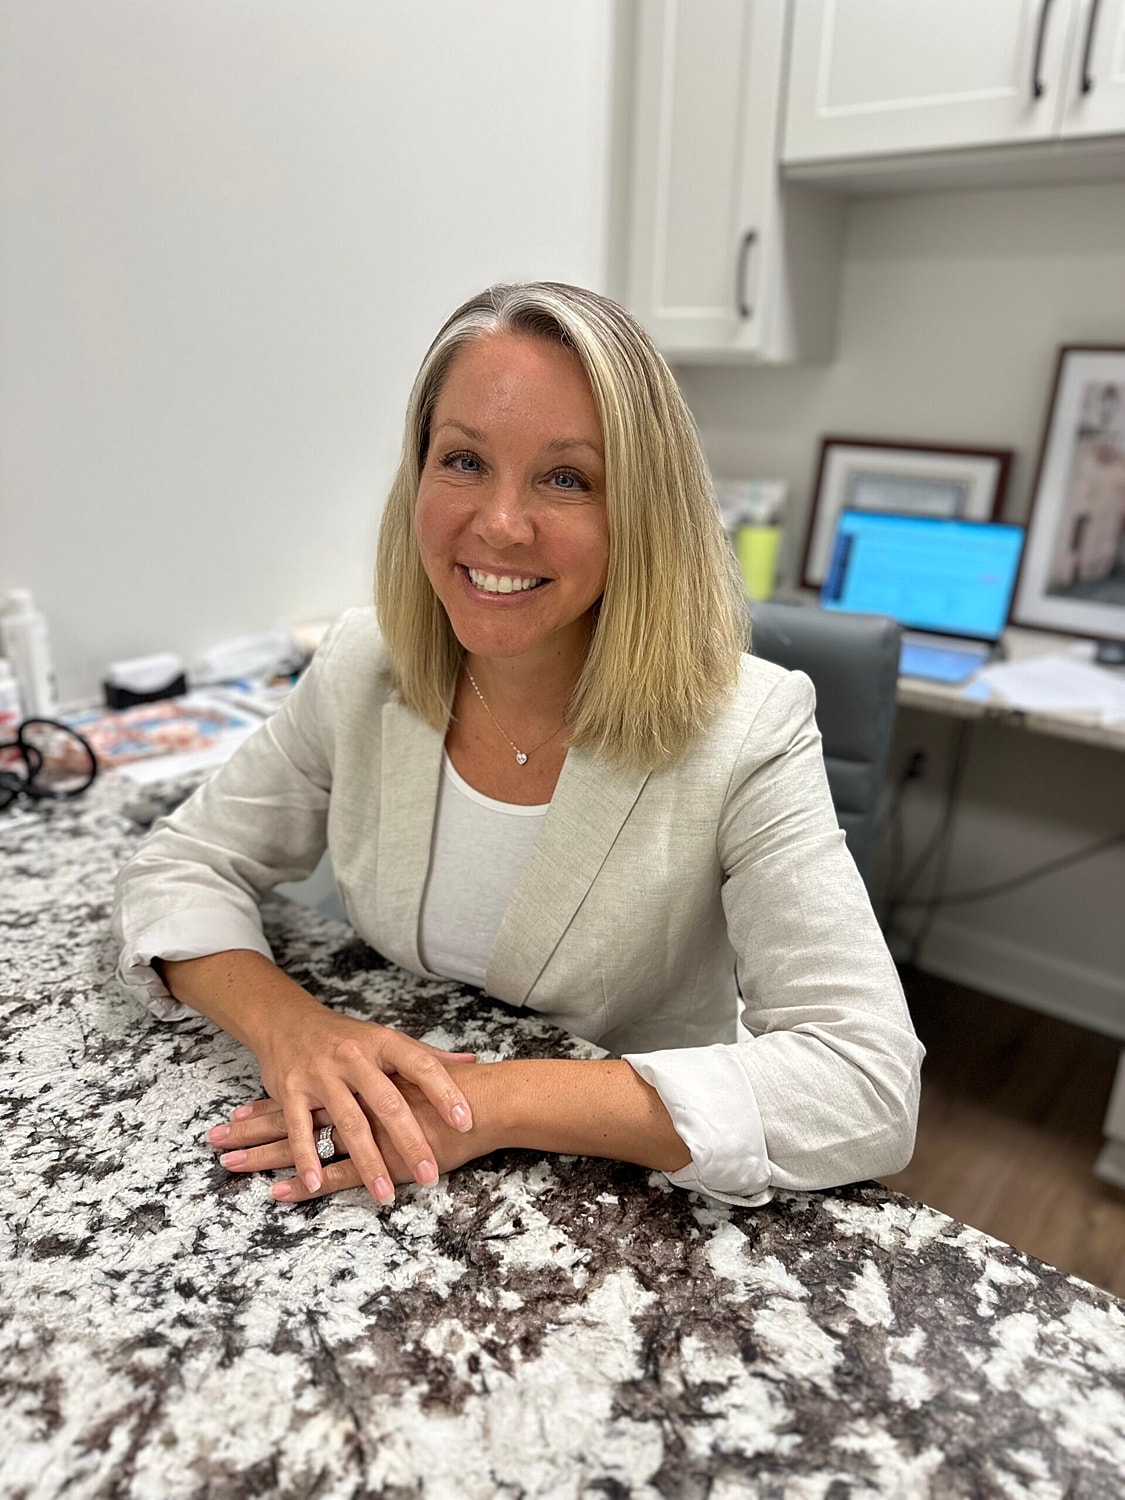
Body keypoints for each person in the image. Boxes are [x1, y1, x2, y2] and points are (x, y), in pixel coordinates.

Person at [113, 282, 922, 1210]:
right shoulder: (361, 666)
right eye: (462, 461)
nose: (498, 524)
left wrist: (485, 1101)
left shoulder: (749, 725)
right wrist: (293, 1029)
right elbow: (181, 863)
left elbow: (864, 1081)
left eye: (566, 478)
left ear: (642, 513)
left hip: (615, 1196)